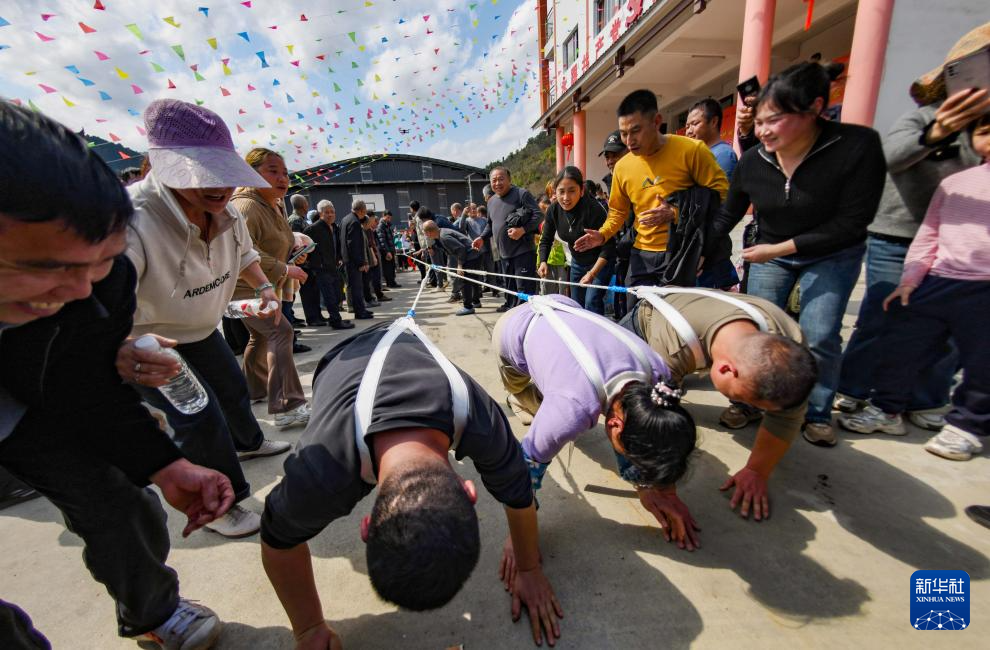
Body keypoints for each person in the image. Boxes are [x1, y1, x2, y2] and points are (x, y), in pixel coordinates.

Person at [0, 101, 235, 650]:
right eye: (47, 268)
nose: (79, 291)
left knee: (123, 501)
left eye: (101, 261)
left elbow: (84, 384)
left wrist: (165, 465)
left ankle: (154, 611)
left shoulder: (101, 284)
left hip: (30, 410)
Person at [261, 323, 561, 649]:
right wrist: (308, 628)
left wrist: (529, 569)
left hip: (398, 346)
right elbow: (277, 539)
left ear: (366, 527)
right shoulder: (319, 471)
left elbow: (520, 496)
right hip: (340, 361)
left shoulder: (484, 423)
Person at [122, 99, 292, 537]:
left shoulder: (227, 210)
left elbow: (245, 254)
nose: (219, 187)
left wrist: (264, 287)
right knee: (198, 414)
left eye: (224, 171)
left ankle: (248, 443)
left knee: (232, 388)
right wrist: (121, 347)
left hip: (200, 328)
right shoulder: (129, 220)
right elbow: (100, 302)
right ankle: (222, 505)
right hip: (149, 339)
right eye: (203, 174)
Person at [708, 62, 886, 447]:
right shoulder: (754, 160)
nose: (763, 131)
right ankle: (748, 401)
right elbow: (728, 214)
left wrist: (779, 249)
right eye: (758, 122)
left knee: (819, 334)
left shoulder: (856, 146)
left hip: (832, 252)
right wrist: (698, 251)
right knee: (758, 331)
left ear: (816, 108)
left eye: (775, 120)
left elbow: (853, 222)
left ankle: (817, 413)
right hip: (770, 250)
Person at [836, 25, 990, 429]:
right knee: (881, 316)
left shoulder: (984, 130)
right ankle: (854, 388)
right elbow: (890, 157)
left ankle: (926, 399)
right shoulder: (921, 118)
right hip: (897, 236)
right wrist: (937, 133)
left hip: (957, 249)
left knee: (946, 331)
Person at [494, 294, 698, 549]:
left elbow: (653, 429)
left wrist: (659, 490)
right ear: (613, 425)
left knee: (556, 399)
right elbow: (523, 472)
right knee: (518, 388)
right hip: (513, 328)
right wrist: (520, 542)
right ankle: (524, 399)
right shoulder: (572, 407)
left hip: (566, 307)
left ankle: (545, 396)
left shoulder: (659, 380)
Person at [619, 288, 816, 523]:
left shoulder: (790, 345)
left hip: (701, 317)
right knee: (611, 387)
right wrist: (653, 485)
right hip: (649, 318)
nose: (755, 409)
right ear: (725, 369)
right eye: (747, 402)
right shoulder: (670, 353)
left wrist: (757, 471)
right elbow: (639, 418)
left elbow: (788, 416)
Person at [574, 90, 728, 306]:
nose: (629, 141)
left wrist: (675, 213)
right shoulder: (623, 167)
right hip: (641, 254)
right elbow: (618, 211)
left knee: (674, 318)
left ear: (656, 121)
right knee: (636, 314)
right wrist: (603, 234)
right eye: (624, 133)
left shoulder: (692, 151)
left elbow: (723, 198)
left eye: (635, 131)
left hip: (680, 252)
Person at [229, 149, 312, 428]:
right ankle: (287, 406)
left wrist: (293, 255)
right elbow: (243, 251)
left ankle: (253, 390)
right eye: (273, 171)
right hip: (243, 288)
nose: (282, 178)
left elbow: (272, 245)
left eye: (285, 173)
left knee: (261, 337)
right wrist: (284, 269)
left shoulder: (273, 204)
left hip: (262, 286)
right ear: (250, 174)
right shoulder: (246, 206)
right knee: (280, 331)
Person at [538, 167, 615, 314]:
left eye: (572, 191)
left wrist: (592, 273)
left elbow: (609, 247)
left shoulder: (594, 209)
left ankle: (595, 328)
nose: (566, 197)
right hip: (577, 263)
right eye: (561, 191)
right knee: (575, 304)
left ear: (581, 191)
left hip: (600, 263)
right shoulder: (553, 210)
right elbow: (546, 239)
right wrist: (543, 261)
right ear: (555, 192)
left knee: (591, 302)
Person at [684, 98, 740, 290]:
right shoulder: (698, 156)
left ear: (714, 121)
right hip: (695, 250)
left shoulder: (723, 155)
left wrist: (703, 252)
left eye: (695, 124)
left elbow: (717, 211)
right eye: (687, 125)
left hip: (710, 255)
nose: (689, 131)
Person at [473, 167, 542, 312]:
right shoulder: (491, 201)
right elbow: (490, 224)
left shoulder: (521, 194)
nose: (497, 183)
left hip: (523, 251)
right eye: (494, 180)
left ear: (509, 180)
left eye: (501, 179)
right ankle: (510, 307)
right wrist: (482, 237)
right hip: (504, 253)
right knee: (509, 286)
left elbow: (538, 215)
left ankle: (525, 315)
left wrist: (522, 230)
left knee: (524, 288)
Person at [300, 200, 354, 330]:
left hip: (333, 267)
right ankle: (336, 321)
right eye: (326, 212)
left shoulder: (334, 227)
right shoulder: (313, 229)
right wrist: (314, 262)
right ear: (320, 214)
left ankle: (335, 318)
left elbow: (337, 245)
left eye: (332, 212)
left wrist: (339, 257)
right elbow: (303, 248)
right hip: (321, 268)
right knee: (329, 296)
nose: (330, 215)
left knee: (336, 294)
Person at [600, 130, 631, 320]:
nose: (611, 160)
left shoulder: (636, 177)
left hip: (637, 249)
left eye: (615, 155)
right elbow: (615, 216)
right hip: (620, 249)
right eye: (607, 156)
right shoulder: (610, 181)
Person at [422, 220, 481, 316]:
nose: (425, 235)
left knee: (463, 281)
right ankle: (476, 302)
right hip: (474, 254)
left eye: (424, 233)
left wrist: (460, 265)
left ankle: (468, 307)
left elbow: (461, 249)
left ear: (428, 232)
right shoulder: (442, 232)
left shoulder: (444, 237)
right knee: (473, 279)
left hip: (470, 255)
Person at [339, 199, 375, 319]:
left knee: (352, 286)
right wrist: (361, 262)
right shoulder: (354, 222)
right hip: (353, 261)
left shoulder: (345, 219)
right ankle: (360, 312)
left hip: (346, 259)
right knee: (357, 287)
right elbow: (354, 245)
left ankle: (360, 309)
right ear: (362, 210)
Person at [376, 210, 401, 288]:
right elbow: (382, 240)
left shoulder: (388, 225)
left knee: (392, 267)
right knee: (388, 268)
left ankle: (392, 282)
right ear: (383, 216)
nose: (389, 219)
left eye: (390, 218)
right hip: (386, 251)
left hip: (390, 249)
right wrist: (387, 251)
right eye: (387, 217)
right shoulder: (381, 226)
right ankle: (390, 283)